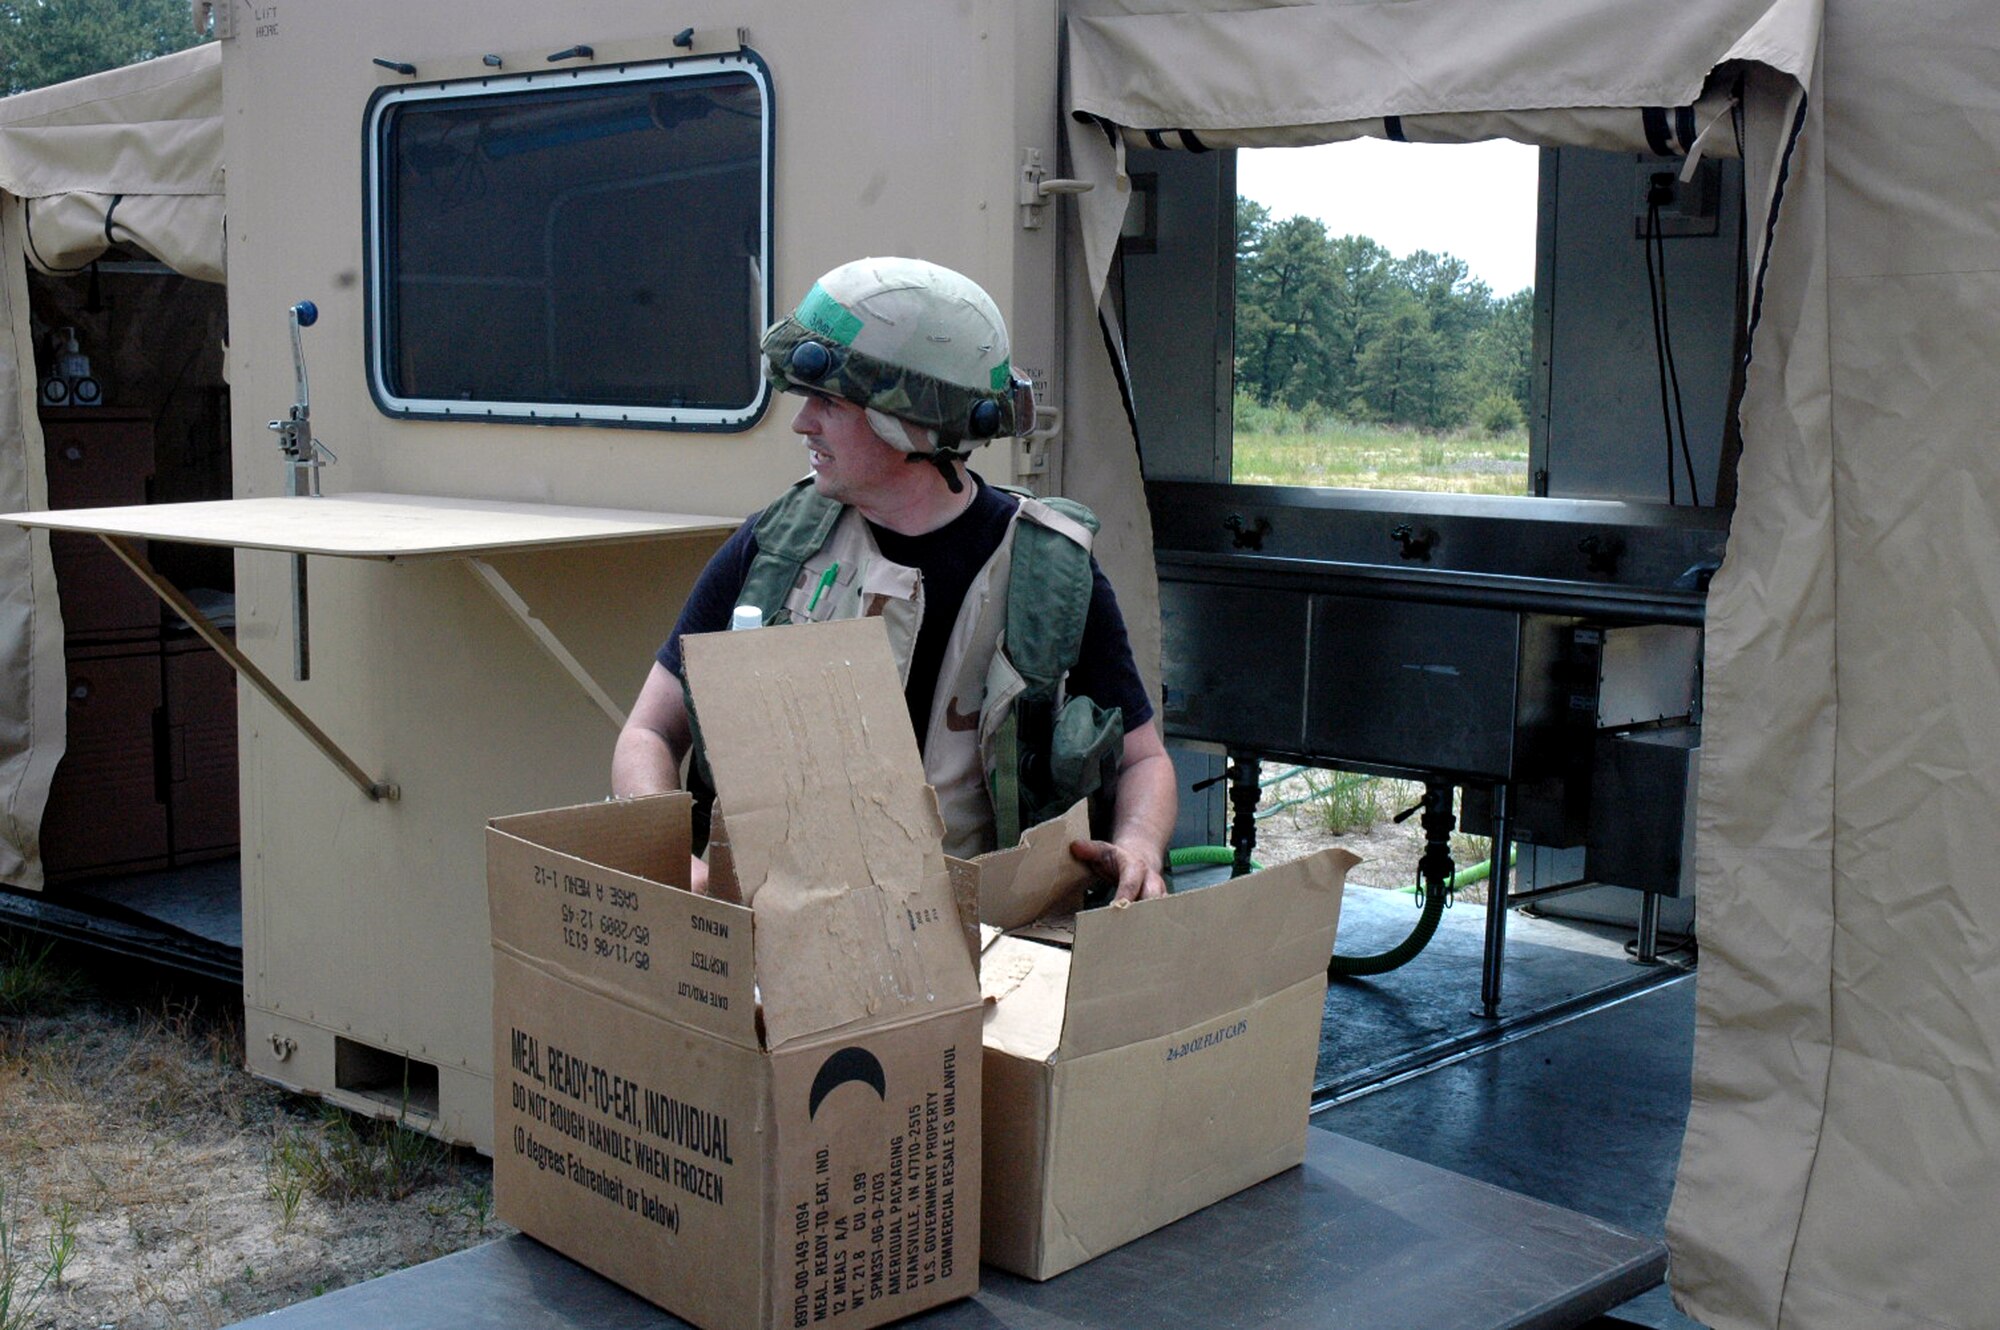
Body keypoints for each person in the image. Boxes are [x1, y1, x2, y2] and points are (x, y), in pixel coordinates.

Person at [612, 256, 1175, 901]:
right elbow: (649, 731)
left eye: (828, 401)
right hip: (778, 925)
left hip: (984, 942)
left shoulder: (1050, 573)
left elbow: (1144, 760)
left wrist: (1137, 845)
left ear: (911, 421)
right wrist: (675, 862)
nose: (802, 423)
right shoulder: (777, 548)